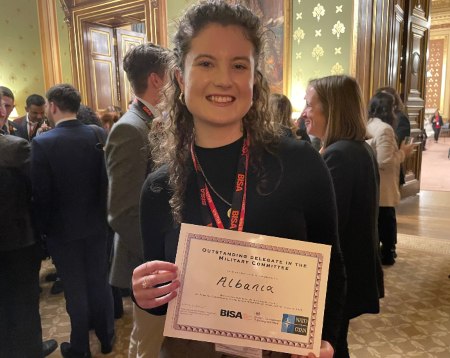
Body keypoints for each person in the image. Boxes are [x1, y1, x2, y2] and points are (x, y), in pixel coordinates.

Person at [131, 2, 345, 357]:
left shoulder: (300, 164)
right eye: (205, 63)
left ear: (254, 79)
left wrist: (328, 341)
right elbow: (161, 304)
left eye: (239, 65)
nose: (224, 79)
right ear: (181, 78)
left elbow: (333, 269)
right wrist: (146, 293)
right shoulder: (158, 188)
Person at [31, 84, 115, 357]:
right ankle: (106, 338)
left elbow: (41, 194)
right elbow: (106, 182)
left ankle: (80, 347)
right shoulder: (97, 133)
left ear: (52, 106)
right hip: (97, 225)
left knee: (75, 289)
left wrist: (43, 231)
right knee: (99, 282)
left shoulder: (42, 143)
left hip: (62, 231)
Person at [304, 75, 384, 358]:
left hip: (338, 276)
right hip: (354, 268)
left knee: (330, 346)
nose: (304, 113)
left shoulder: (338, 155)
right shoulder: (358, 148)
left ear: (331, 108)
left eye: (309, 104)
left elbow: (328, 225)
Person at [104, 43, 170, 357]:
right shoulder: (129, 129)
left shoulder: (153, 121)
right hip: (147, 263)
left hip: (159, 261)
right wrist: (157, 258)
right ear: (157, 80)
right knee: (147, 342)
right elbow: (121, 211)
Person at [0, 92, 58, 358]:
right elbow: (39, 191)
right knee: (23, 300)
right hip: (19, 238)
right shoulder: (13, 148)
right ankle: (30, 349)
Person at [367, 92, 415, 265]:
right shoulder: (385, 129)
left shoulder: (370, 124)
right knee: (386, 220)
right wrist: (404, 153)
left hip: (374, 183)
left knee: (379, 220)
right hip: (383, 184)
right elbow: (384, 160)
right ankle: (387, 253)